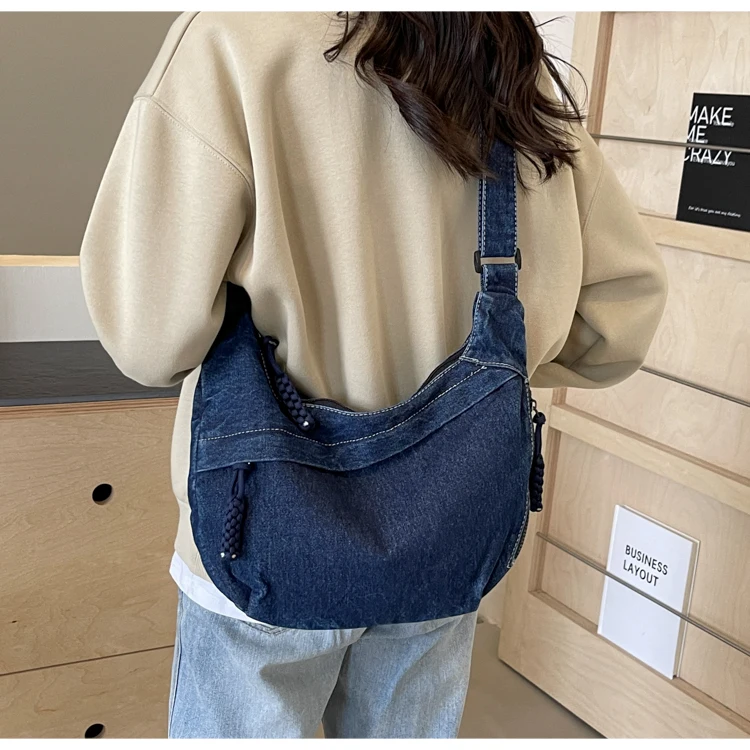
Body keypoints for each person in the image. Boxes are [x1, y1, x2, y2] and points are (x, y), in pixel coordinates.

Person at [80, 12, 667, 739]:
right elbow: (618, 319)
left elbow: (147, 338)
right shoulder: (504, 60)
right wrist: (487, 366)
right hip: (446, 537)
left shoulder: (232, 38)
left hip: (257, 538)